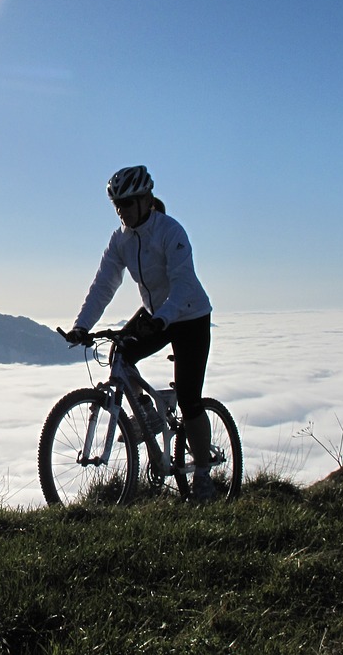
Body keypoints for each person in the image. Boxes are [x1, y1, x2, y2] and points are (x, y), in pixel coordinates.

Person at [64, 165, 217, 501]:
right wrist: (82, 326)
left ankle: (203, 475)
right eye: (117, 206)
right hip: (155, 314)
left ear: (146, 200)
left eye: (127, 204)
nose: (122, 211)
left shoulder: (170, 232)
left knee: (191, 400)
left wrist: (164, 318)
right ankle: (146, 410)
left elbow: (183, 283)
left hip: (189, 315)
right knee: (120, 353)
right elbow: (104, 283)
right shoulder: (120, 239)